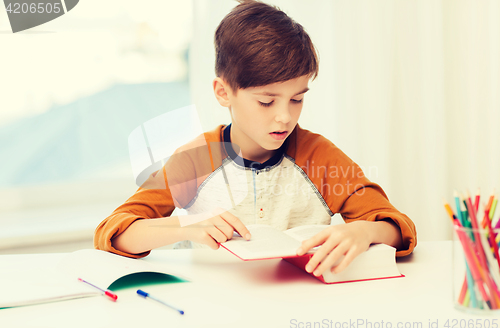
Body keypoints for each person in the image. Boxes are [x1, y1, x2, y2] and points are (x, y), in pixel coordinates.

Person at [94, 0, 416, 277]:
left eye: (297, 99)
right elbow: (114, 232)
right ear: (223, 93)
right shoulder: (195, 159)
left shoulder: (319, 157)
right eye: (266, 101)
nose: (285, 117)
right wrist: (183, 229)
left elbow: (399, 228)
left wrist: (365, 230)